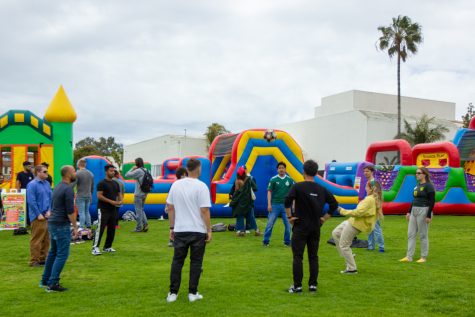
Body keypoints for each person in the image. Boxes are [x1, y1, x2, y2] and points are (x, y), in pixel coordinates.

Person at [284, 160, 339, 293]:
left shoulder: (298, 187)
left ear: (304, 171)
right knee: (313, 256)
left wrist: (289, 217)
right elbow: (334, 205)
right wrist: (324, 219)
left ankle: (297, 286)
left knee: (298, 256)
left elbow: (287, 200)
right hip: (315, 226)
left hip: (300, 226)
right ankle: (312, 285)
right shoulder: (322, 189)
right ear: (315, 173)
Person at [166, 158, 212, 303]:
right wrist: (209, 229)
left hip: (180, 229)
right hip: (197, 230)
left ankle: (173, 293)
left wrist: (172, 227)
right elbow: (204, 210)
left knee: (177, 261)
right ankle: (192, 293)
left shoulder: (176, 185)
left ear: (187, 169)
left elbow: (170, 208)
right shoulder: (202, 186)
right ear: (198, 169)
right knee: (196, 262)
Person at [40, 165, 78, 292]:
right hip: (61, 224)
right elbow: (70, 211)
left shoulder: (57, 186)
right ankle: (53, 283)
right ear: (68, 174)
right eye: (73, 171)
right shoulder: (68, 189)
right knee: (62, 254)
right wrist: (75, 227)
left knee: (53, 252)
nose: (75, 173)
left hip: (53, 222)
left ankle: (45, 280)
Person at [332, 181, 382, 274]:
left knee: (344, 245)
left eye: (366, 186)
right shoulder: (371, 199)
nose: (365, 188)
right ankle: (350, 256)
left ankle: (352, 269)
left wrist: (342, 211)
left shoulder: (369, 200)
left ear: (371, 189)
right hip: (353, 221)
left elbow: (358, 212)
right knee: (335, 233)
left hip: (356, 224)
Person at [399, 167, 435, 263]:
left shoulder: (429, 186)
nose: (417, 175)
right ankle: (409, 256)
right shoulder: (417, 186)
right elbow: (414, 200)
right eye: (416, 173)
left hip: (424, 210)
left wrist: (428, 215)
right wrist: (409, 212)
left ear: (424, 174)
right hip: (414, 210)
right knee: (410, 234)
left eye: (419, 173)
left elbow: (432, 201)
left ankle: (423, 257)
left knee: (423, 235)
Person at [91, 164, 122, 256]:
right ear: (106, 172)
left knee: (112, 228)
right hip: (103, 209)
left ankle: (107, 247)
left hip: (113, 209)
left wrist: (120, 200)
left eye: (113, 171)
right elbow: (99, 196)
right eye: (111, 171)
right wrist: (111, 202)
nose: (113, 172)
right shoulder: (101, 183)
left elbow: (119, 193)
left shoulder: (115, 183)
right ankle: (95, 247)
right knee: (100, 228)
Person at [263, 161, 295, 247]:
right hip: (275, 205)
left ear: (285, 169)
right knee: (270, 224)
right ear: (277, 169)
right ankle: (266, 242)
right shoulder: (273, 179)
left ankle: (287, 242)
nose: (281, 169)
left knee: (288, 225)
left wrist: (293, 205)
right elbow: (269, 192)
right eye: (280, 168)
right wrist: (269, 204)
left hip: (286, 206)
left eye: (283, 168)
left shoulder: (290, 180)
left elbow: (293, 193)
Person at [26, 165, 52, 267]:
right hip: (37, 216)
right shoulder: (32, 185)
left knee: (46, 239)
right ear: (38, 172)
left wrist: (50, 210)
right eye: (44, 172)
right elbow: (31, 201)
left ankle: (43, 259)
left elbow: (50, 199)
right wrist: (38, 214)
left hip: (47, 215)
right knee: (37, 239)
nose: (47, 173)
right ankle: (34, 260)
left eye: (47, 172)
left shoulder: (47, 184)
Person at [229, 166, 260, 235]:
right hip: (248, 201)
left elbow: (235, 191)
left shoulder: (237, 180)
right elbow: (255, 188)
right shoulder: (249, 179)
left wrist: (232, 197)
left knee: (240, 215)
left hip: (240, 202)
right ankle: (256, 230)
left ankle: (240, 231)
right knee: (250, 215)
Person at [363, 166, 385, 252]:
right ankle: (371, 246)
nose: (365, 173)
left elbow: (379, 196)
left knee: (376, 228)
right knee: (370, 227)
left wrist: (377, 207)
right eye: (364, 171)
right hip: (370, 207)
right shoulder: (369, 182)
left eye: (367, 171)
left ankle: (381, 247)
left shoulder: (374, 182)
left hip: (374, 208)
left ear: (372, 172)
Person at [125, 158, 149, 232]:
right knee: (141, 210)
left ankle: (138, 228)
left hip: (138, 193)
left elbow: (127, 175)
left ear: (137, 164)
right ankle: (145, 224)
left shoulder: (138, 171)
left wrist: (132, 169)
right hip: (145, 193)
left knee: (138, 211)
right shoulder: (146, 170)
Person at [165, 167, 188, 247]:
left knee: (178, 224)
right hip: (177, 208)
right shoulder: (176, 185)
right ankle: (173, 239)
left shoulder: (176, 184)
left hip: (179, 208)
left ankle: (174, 239)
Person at [75, 159, 94, 229]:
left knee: (81, 212)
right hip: (88, 195)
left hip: (80, 195)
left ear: (78, 164)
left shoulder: (77, 173)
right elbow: (92, 186)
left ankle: (81, 227)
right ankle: (89, 225)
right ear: (85, 164)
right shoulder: (91, 173)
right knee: (87, 211)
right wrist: (91, 194)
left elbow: (74, 184)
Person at [16, 161, 34, 226]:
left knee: (31, 206)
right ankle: (24, 221)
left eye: (30, 166)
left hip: (31, 193)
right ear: (24, 166)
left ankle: (30, 221)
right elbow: (17, 182)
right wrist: (18, 191)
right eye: (29, 166)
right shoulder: (20, 174)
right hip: (23, 193)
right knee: (24, 207)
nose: (30, 167)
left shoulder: (31, 174)